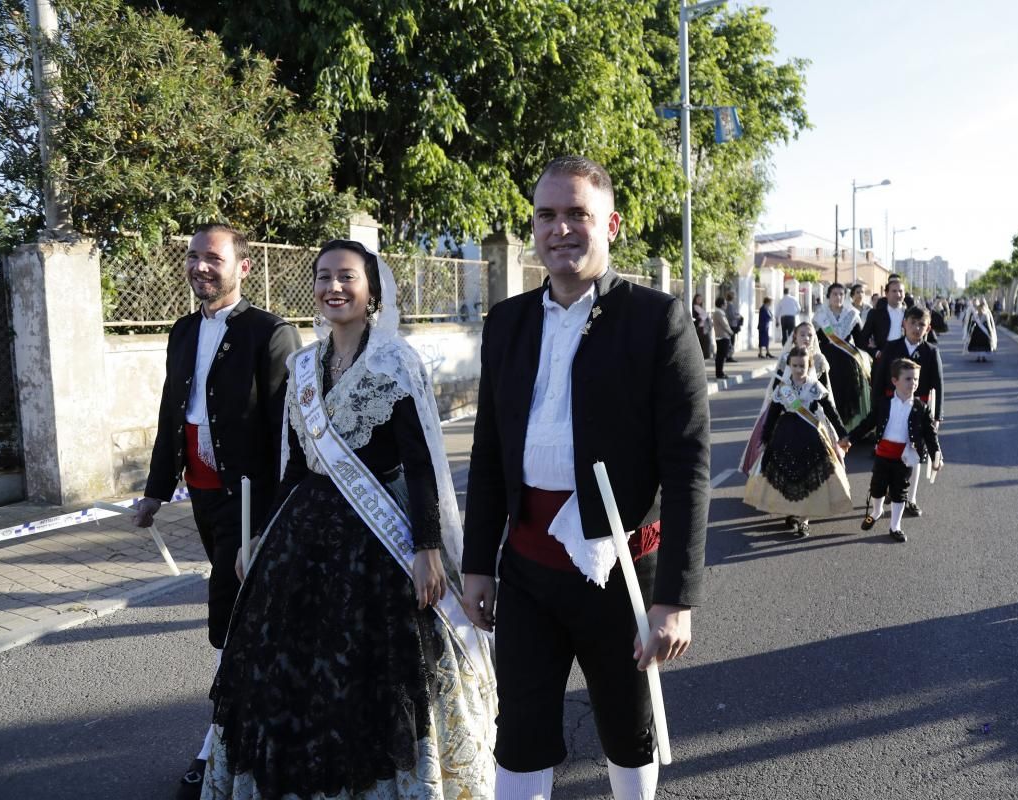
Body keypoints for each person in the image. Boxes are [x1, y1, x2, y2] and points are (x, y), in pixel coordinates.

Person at [201, 240, 496, 798]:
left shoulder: (396, 362)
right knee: (291, 673)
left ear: (371, 291)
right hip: (302, 536)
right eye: (324, 276)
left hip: (377, 541)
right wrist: (262, 534)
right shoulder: (302, 366)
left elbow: (420, 464)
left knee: (379, 674)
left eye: (347, 277)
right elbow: (294, 465)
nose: (333, 287)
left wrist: (427, 548)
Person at [460, 155, 710, 799]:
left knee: (628, 731)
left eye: (577, 214)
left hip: (619, 568)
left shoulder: (657, 319)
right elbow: (488, 450)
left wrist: (675, 598)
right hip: (526, 567)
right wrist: (477, 565)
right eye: (547, 215)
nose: (560, 229)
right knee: (519, 732)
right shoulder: (508, 322)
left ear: (612, 225)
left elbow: (688, 465)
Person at [131, 223, 300, 799]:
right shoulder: (181, 331)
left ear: (243, 268)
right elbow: (170, 413)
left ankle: (216, 747)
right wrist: (157, 489)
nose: (200, 266)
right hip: (202, 498)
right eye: (193, 257)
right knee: (245, 622)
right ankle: (267, 728)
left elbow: (286, 434)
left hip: (249, 500)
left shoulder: (269, 333)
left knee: (230, 616)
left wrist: (277, 518)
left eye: (213, 258)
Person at [742, 346, 851, 538]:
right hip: (785, 435)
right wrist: (765, 439)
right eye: (795, 365)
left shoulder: (815, 386)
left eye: (802, 365)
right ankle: (792, 511)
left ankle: (804, 520)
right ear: (789, 365)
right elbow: (773, 415)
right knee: (788, 475)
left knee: (810, 476)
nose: (799, 369)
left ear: (809, 365)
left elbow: (830, 411)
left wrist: (842, 433)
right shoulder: (782, 388)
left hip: (811, 436)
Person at [840, 359, 943, 543]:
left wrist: (937, 456)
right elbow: (868, 424)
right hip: (883, 453)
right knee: (877, 488)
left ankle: (895, 526)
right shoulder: (884, 403)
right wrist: (850, 438)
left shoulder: (921, 408)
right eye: (908, 379)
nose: (913, 383)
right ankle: (876, 511)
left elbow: (930, 435)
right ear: (895, 380)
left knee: (899, 491)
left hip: (904, 457)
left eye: (916, 379)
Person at [869, 307, 944, 518]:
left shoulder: (931, 351)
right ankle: (887, 492)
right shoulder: (891, 347)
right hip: (892, 408)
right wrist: (877, 406)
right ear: (904, 323)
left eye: (921, 325)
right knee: (888, 452)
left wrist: (937, 416)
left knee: (915, 452)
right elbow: (879, 378)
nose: (916, 328)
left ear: (927, 328)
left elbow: (938, 385)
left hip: (917, 411)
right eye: (912, 323)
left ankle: (910, 498)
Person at [813, 282, 871, 429]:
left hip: (848, 362)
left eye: (841, 294)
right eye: (834, 294)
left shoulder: (852, 315)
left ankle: (848, 429)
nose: (838, 297)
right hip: (827, 362)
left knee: (848, 396)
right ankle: (829, 427)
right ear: (828, 296)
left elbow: (860, 342)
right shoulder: (820, 317)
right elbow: (815, 341)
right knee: (829, 394)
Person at [858, 274, 908, 358]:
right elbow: (862, 340)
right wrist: (875, 352)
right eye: (894, 291)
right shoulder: (875, 314)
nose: (898, 295)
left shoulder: (910, 314)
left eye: (900, 291)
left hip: (904, 362)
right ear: (886, 293)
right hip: (882, 360)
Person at [962, 297, 998, 362]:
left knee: (982, 344)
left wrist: (990, 332)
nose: (980, 309)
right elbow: (972, 323)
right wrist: (970, 332)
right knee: (979, 344)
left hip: (981, 331)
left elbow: (989, 324)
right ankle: (979, 357)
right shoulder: (977, 315)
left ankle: (982, 357)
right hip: (978, 331)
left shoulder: (984, 315)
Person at [711, 296, 733, 380]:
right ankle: (719, 373)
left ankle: (720, 372)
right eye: (725, 303)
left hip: (722, 336)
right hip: (722, 336)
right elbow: (725, 325)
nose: (726, 305)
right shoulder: (719, 313)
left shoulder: (720, 312)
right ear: (722, 304)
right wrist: (731, 332)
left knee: (722, 356)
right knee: (721, 356)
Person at [691, 293, 712, 359]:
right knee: (705, 342)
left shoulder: (699, 307)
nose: (700, 300)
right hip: (700, 328)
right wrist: (703, 316)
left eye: (700, 299)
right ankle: (704, 357)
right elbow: (701, 317)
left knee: (705, 342)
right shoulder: (694, 307)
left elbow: (704, 316)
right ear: (695, 299)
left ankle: (704, 357)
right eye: (698, 299)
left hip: (703, 327)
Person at [725, 291, 741, 362]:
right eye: (734, 296)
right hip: (731, 325)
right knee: (731, 341)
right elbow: (731, 316)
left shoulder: (730, 304)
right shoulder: (729, 305)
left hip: (732, 324)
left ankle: (729, 355)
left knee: (731, 341)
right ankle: (729, 356)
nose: (735, 297)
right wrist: (738, 317)